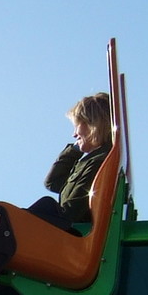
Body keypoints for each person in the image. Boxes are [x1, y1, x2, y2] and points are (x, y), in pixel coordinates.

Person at [28, 92, 115, 231]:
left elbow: (72, 211)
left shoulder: (100, 161)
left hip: (79, 238)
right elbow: (53, 183)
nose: (74, 134)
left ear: (93, 124)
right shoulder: (89, 160)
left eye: (77, 126)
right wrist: (74, 150)